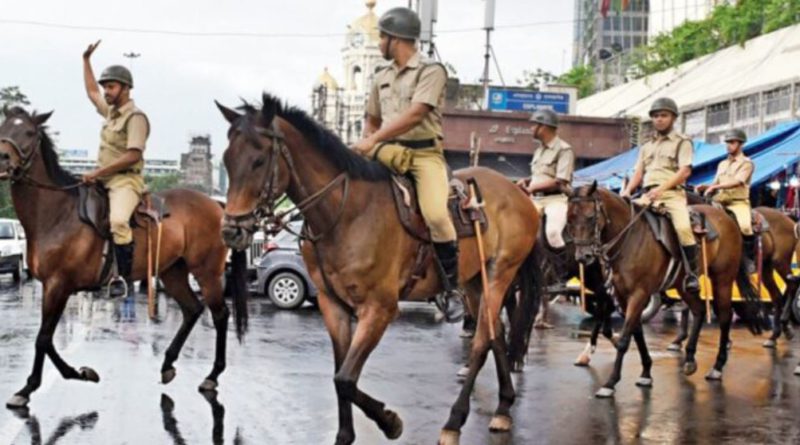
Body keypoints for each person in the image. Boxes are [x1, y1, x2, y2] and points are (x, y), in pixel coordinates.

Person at [352, 7, 464, 322]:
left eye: (382, 37)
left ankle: (450, 290)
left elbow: (416, 114)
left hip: (423, 155)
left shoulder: (431, 70)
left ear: (396, 38)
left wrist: (373, 142)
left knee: (437, 215)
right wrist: (367, 139)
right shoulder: (381, 76)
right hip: (388, 151)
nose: (379, 44)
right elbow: (372, 119)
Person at [82, 40, 150, 297]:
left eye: (110, 86)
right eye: (106, 87)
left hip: (124, 182)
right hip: (101, 179)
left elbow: (133, 155)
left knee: (119, 221)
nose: (106, 91)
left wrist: (98, 173)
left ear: (126, 88)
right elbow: (91, 92)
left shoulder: (136, 118)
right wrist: (86, 60)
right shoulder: (110, 113)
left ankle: (123, 279)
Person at [621, 97, 700, 292]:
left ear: (673, 118)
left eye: (664, 115)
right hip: (647, 195)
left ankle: (692, 274)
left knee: (683, 228)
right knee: (623, 223)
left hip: (671, 195)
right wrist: (627, 191)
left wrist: (662, 189)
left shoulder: (682, 142)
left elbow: (685, 172)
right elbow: (638, 173)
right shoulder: (647, 146)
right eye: (656, 116)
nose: (659, 119)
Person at [696, 129, 755, 272]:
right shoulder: (722, 164)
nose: (729, 145)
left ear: (741, 144)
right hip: (719, 201)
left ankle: (747, 258)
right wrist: (705, 186)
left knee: (746, 226)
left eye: (732, 142)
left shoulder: (747, 163)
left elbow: (738, 182)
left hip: (737, 202)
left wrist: (716, 186)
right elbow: (715, 182)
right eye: (727, 142)